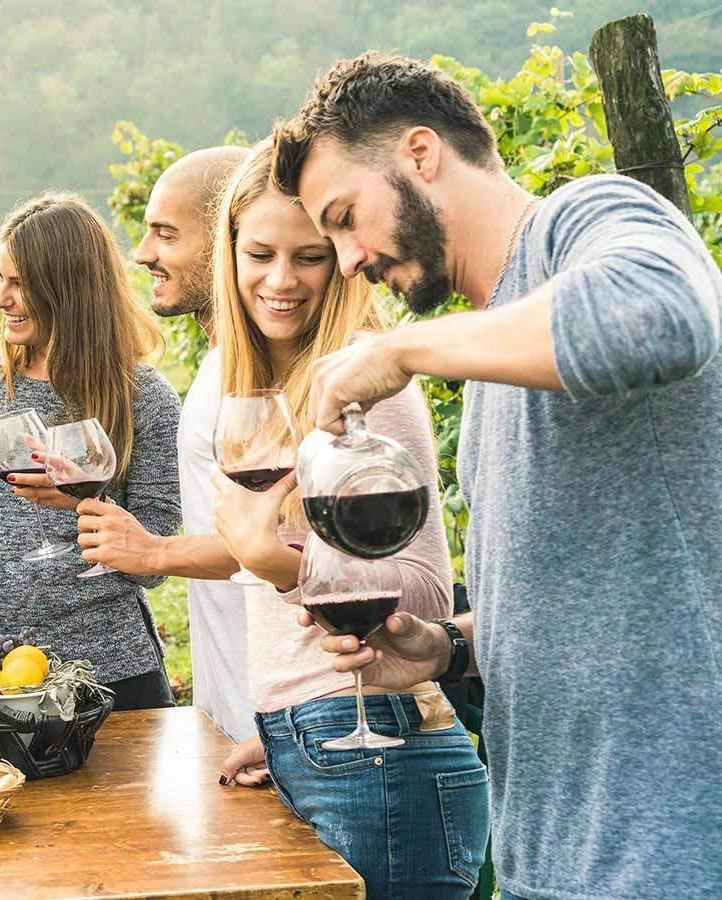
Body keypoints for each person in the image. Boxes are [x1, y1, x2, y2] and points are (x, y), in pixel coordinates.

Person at [271, 52, 722, 900]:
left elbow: (665, 313)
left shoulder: (584, 220)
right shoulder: (492, 363)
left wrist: (401, 350)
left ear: (419, 154)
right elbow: (560, 608)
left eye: (345, 217)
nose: (349, 258)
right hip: (550, 860)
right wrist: (442, 650)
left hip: (674, 854)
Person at [0, 191, 181, 709]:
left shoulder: (146, 397)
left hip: (112, 671)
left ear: (69, 289)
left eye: (19, 283)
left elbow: (156, 560)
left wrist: (78, 503)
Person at [131, 145, 256, 739]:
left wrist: (154, 552)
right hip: (238, 713)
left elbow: (283, 543)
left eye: (165, 234)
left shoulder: (261, 375)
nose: (144, 253)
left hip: (285, 719)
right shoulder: (217, 364)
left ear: (228, 238)